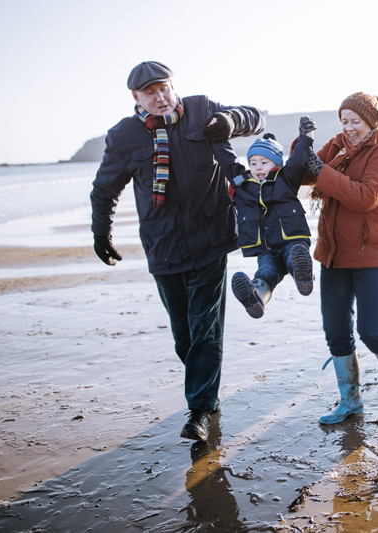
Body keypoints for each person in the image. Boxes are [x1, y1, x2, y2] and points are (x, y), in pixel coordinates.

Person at [90, 61, 264, 442]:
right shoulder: (123, 137)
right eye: (150, 92)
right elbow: (104, 190)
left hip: (211, 238)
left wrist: (230, 122)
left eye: (164, 88)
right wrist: (101, 233)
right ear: (136, 97)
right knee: (184, 338)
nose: (160, 97)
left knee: (205, 328)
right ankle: (206, 391)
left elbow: (257, 118)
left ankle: (199, 410)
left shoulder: (202, 110)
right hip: (163, 246)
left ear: (173, 86)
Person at [303, 92, 378, 425]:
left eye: (355, 122)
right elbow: (304, 171)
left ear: (371, 122)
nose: (349, 128)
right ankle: (350, 400)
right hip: (333, 253)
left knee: (372, 330)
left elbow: (364, 198)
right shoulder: (337, 145)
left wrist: (321, 171)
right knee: (336, 331)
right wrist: (301, 146)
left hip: (372, 251)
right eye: (344, 121)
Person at [212, 117, 318, 318]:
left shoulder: (285, 179)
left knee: (294, 256)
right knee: (266, 273)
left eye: (264, 162)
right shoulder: (242, 183)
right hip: (266, 247)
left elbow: (298, 159)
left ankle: (302, 275)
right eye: (253, 163)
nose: (258, 167)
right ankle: (257, 297)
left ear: (276, 163)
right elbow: (226, 160)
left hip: (291, 240)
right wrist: (216, 136)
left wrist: (307, 136)